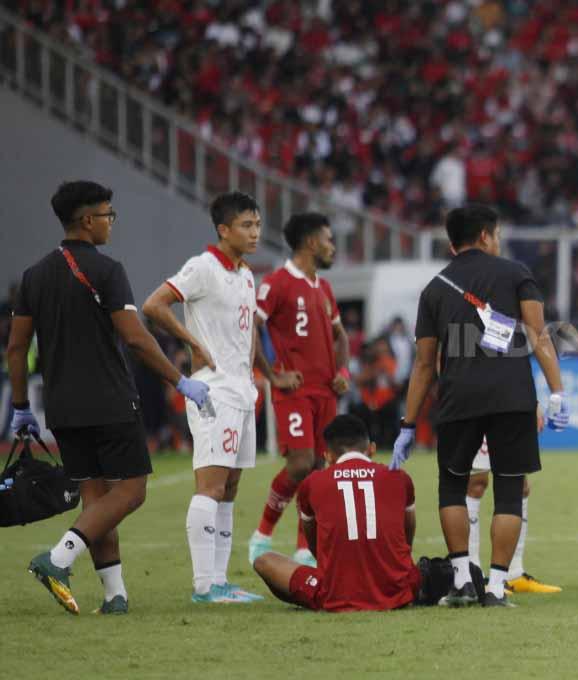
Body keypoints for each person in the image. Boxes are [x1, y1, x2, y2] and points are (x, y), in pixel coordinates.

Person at [10, 180, 211, 615]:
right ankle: (58, 558)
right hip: (110, 400)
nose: (111, 222)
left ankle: (114, 596)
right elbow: (136, 339)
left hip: (61, 407)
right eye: (107, 215)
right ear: (87, 220)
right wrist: (180, 382)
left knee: (96, 499)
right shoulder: (107, 270)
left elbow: (16, 347)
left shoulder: (33, 276)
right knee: (133, 491)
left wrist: (21, 406)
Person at [391, 204, 569, 608]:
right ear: (486, 235)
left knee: (452, 487)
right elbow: (539, 335)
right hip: (513, 398)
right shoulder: (516, 274)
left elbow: (424, 364)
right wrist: (556, 392)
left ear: (453, 241)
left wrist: (408, 424)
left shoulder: (434, 288)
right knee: (509, 491)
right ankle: (497, 587)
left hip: (458, 399)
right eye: (498, 234)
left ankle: (461, 582)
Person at [143, 192, 267, 604]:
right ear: (224, 230)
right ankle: (203, 586)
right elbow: (154, 305)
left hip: (242, 390)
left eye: (257, 224)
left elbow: (249, 329)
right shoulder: (203, 267)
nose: (255, 232)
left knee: (230, 487)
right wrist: (192, 342)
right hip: (214, 390)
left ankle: (220, 581)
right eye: (246, 225)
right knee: (211, 486)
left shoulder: (246, 274)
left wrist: (253, 375)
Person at [248, 213, 351, 567]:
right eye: (328, 239)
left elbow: (341, 337)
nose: (332, 246)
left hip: (326, 393)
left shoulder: (324, 288)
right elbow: (251, 328)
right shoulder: (277, 282)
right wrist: (272, 376)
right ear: (311, 242)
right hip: (294, 391)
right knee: (300, 463)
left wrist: (343, 371)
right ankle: (262, 536)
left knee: (320, 470)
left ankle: (305, 549)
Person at [252, 414, 422, 612]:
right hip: (397, 590)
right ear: (372, 449)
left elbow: (314, 543)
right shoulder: (399, 477)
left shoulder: (312, 483)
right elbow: (408, 533)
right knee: (431, 569)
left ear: (328, 456)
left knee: (264, 561)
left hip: (335, 593)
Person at [465, 407, 563, 594]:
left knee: (520, 486)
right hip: (480, 405)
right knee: (476, 483)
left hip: (512, 408)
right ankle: (473, 575)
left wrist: (534, 404)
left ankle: (514, 573)